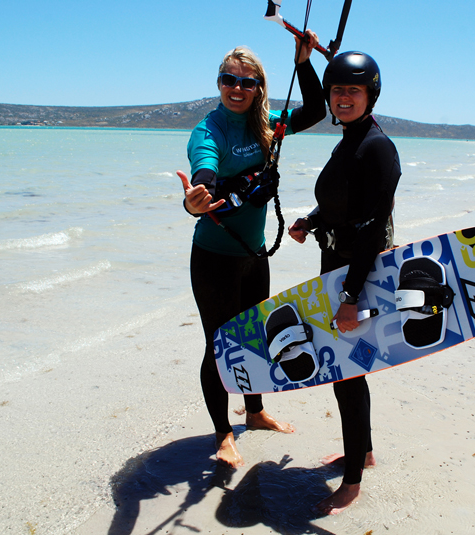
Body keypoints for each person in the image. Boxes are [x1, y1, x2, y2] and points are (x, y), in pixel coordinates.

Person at [177, 33, 326, 469]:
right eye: (229, 80)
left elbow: (315, 111)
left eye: (247, 82)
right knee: (219, 344)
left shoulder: (268, 124)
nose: (237, 89)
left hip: (255, 254)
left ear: (259, 86)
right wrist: (197, 197)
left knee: (253, 337)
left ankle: (256, 412)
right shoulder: (209, 130)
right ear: (219, 83)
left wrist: (304, 62)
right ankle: (224, 433)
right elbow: (203, 168)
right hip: (215, 259)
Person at [288, 51, 401, 514]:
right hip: (335, 264)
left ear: (370, 94)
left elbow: (374, 228)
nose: (343, 98)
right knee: (346, 370)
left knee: (348, 374)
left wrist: (352, 296)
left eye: (353, 90)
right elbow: (342, 204)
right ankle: (364, 453)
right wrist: (310, 221)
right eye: (337, 91)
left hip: (359, 273)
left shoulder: (377, 147)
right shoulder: (350, 139)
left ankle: (352, 480)